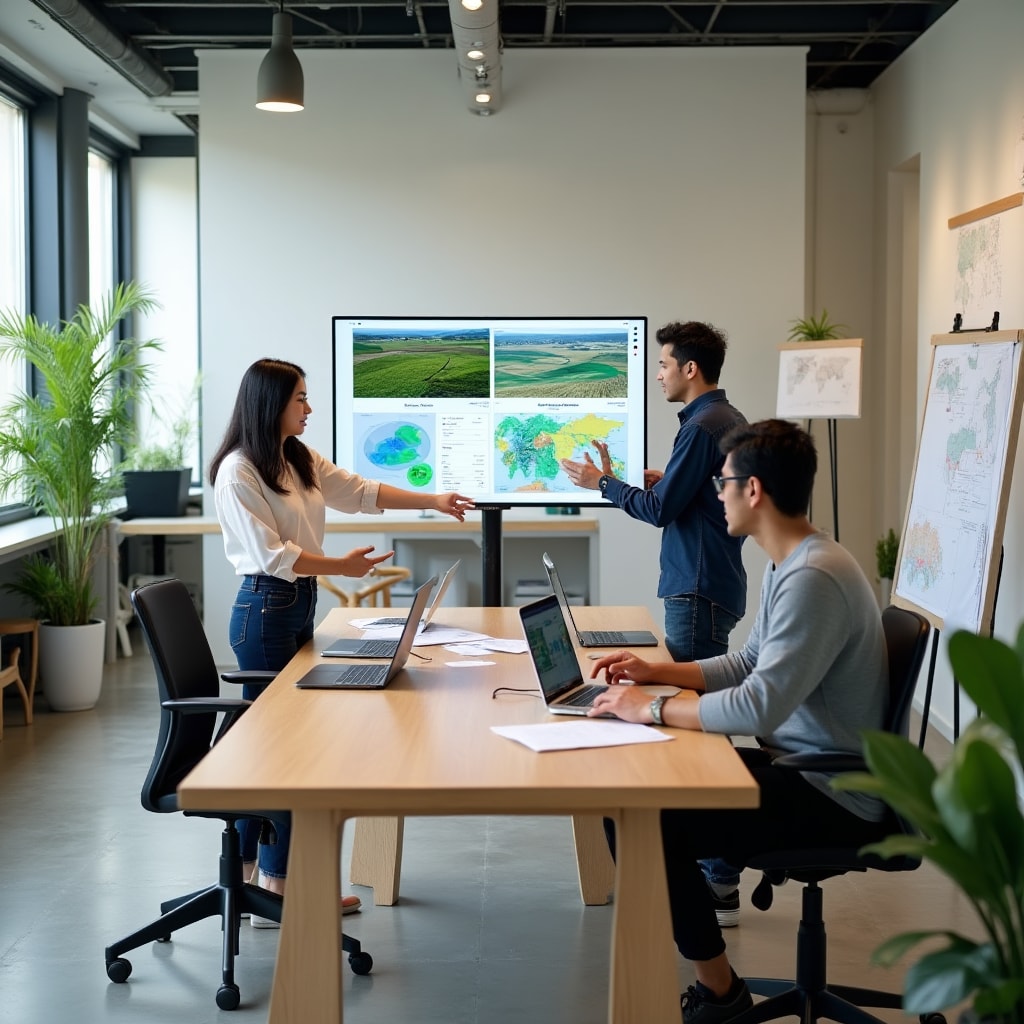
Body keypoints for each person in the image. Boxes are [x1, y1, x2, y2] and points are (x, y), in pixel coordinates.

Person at [586, 419, 890, 1024]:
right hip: (803, 764)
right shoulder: (795, 560)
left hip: (832, 789)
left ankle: (720, 993)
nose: (714, 494)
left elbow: (759, 705)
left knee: (646, 820)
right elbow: (750, 661)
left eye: (721, 483)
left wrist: (649, 709)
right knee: (635, 801)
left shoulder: (813, 576)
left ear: (753, 491)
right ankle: (715, 980)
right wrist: (657, 673)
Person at [209, 357, 475, 926]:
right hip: (264, 607)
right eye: (300, 398)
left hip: (294, 602)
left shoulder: (294, 457)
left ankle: (259, 876)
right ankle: (280, 886)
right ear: (270, 403)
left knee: (276, 746)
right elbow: (271, 557)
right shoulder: (238, 472)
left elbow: (357, 491)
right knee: (284, 752)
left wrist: (433, 500)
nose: (309, 408)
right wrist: (341, 567)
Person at [560, 319, 748, 924]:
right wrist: (650, 479)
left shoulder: (701, 426)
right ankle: (718, 870)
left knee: (701, 726)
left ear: (690, 369)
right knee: (703, 715)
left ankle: (717, 875)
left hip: (695, 585)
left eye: (664, 364)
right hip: (708, 581)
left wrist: (603, 483)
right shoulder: (719, 420)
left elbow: (661, 513)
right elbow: (688, 496)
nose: (659, 373)